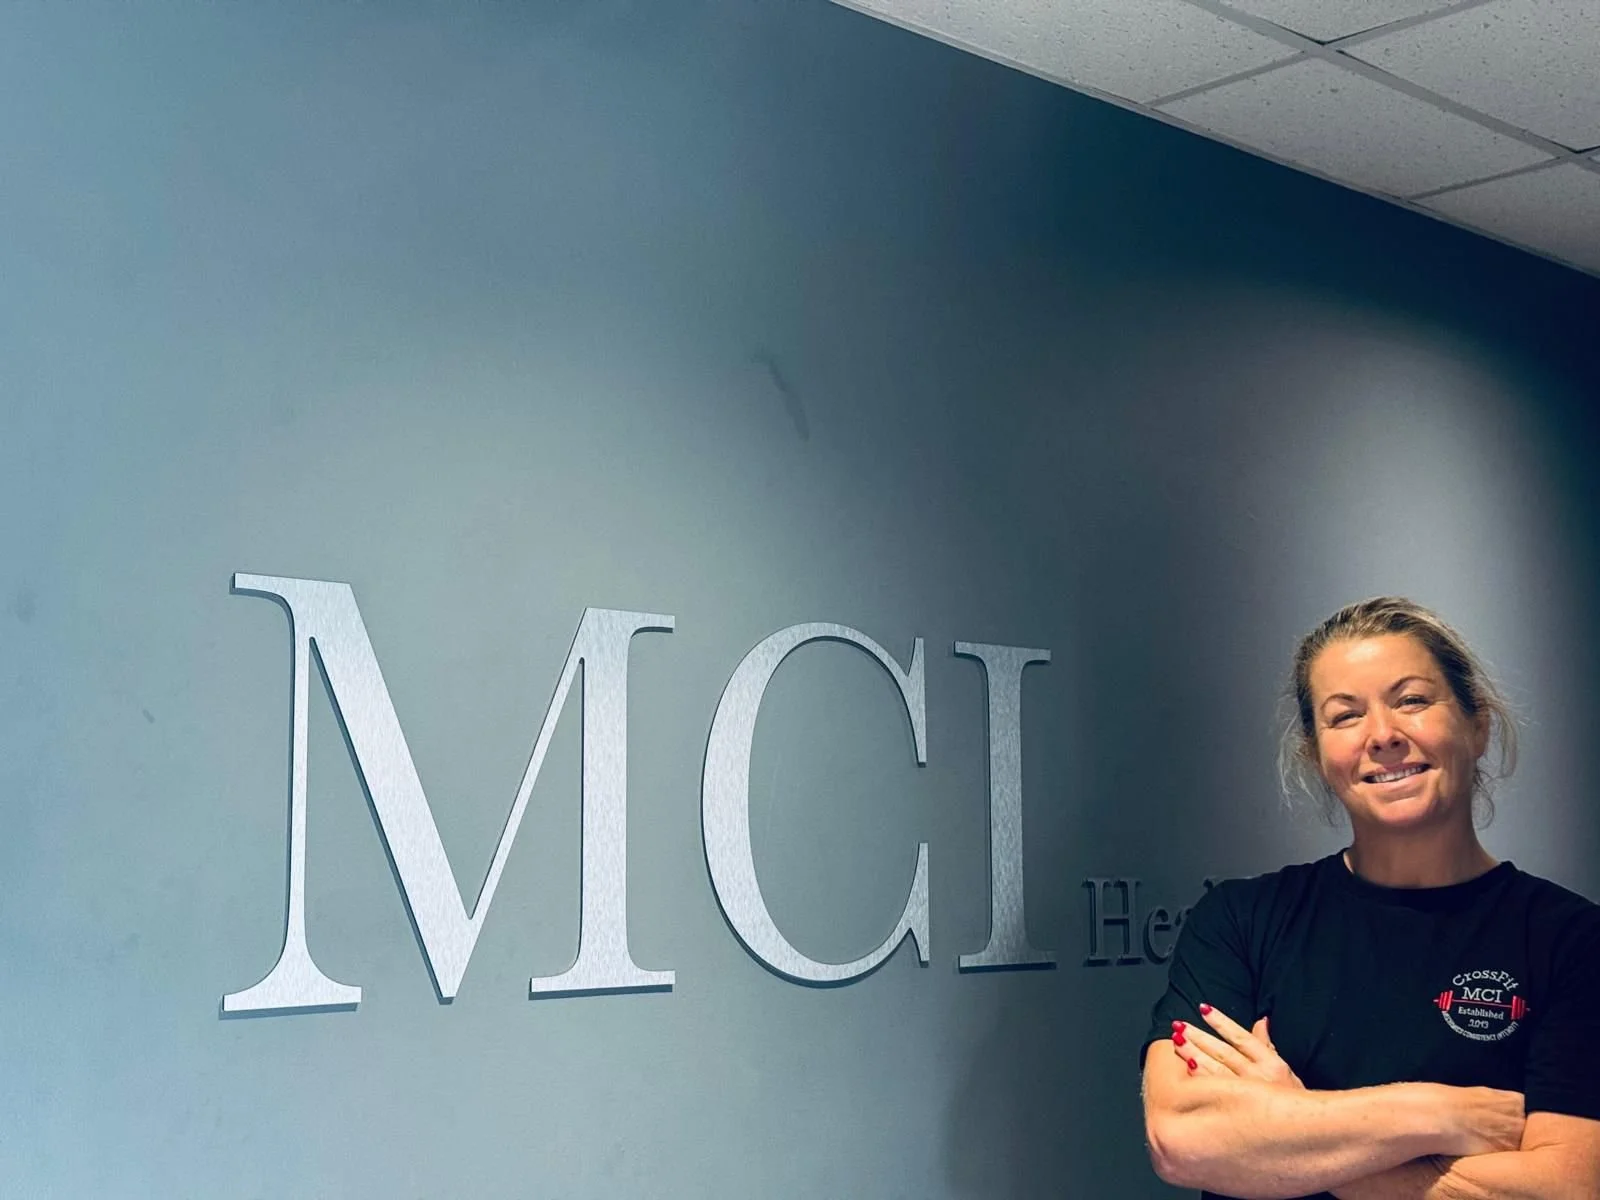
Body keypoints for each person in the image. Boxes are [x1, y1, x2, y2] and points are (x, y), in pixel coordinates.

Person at [1139, 597, 1600, 1200]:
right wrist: (1438, 1114)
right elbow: (1183, 1140)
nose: (1382, 735)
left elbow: (1567, 1188)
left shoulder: (1571, 940)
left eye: (1412, 700)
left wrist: (1295, 1123)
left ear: (1476, 724)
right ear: (1316, 753)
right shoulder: (1239, 922)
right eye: (1345, 716)